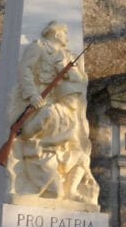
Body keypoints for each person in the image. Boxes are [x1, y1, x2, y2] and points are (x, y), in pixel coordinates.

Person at [10, 21, 99, 207]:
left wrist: (66, 70)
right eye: (65, 33)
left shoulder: (67, 55)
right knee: (38, 128)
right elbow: (25, 69)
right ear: (57, 34)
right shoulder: (39, 47)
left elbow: (80, 80)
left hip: (64, 98)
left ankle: (71, 189)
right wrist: (32, 94)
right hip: (40, 99)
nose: (67, 38)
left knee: (72, 140)